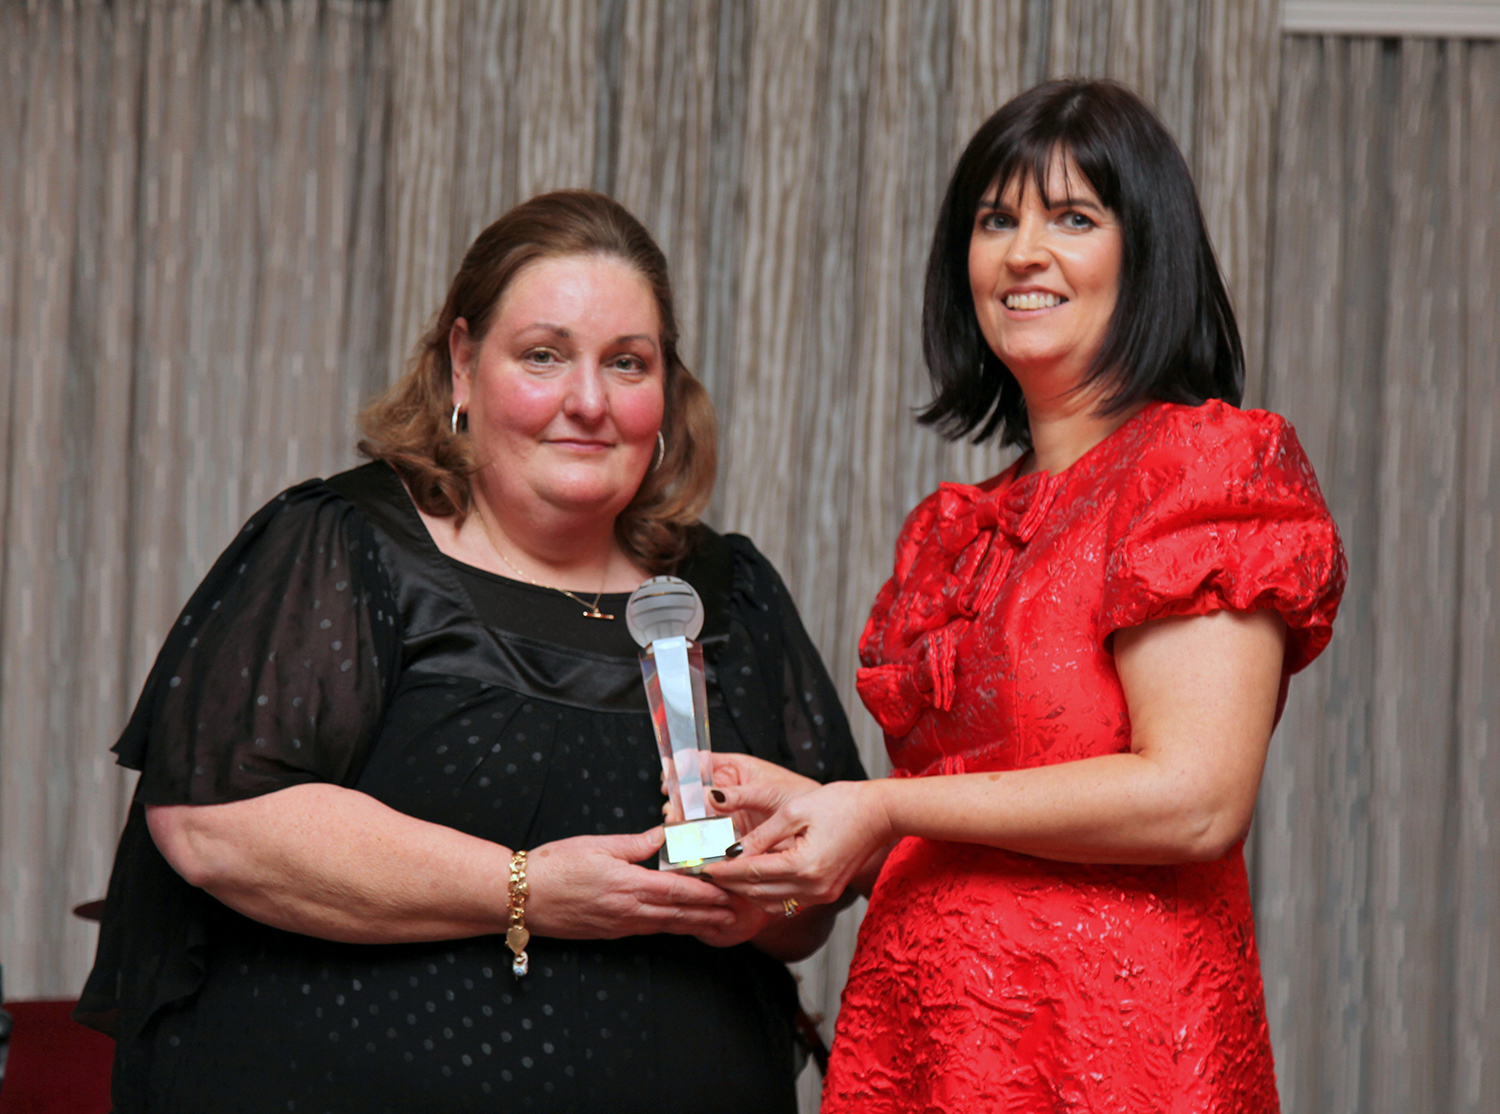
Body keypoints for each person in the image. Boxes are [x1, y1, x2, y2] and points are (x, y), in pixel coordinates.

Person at [76, 189, 865, 1114]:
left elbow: (813, 909)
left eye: (627, 363)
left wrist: (760, 904)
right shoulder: (350, 546)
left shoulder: (730, 594)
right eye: (544, 355)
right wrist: (525, 889)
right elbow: (213, 825)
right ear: (462, 362)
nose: (588, 402)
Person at [709, 80, 1346, 1112]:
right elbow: (970, 817)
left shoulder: (1201, 468)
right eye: (995, 220)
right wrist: (801, 821)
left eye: (1073, 218)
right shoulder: (955, 529)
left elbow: (1195, 800)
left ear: (1149, 254)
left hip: (1113, 1050)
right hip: (921, 1043)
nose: (1022, 253)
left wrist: (882, 805)